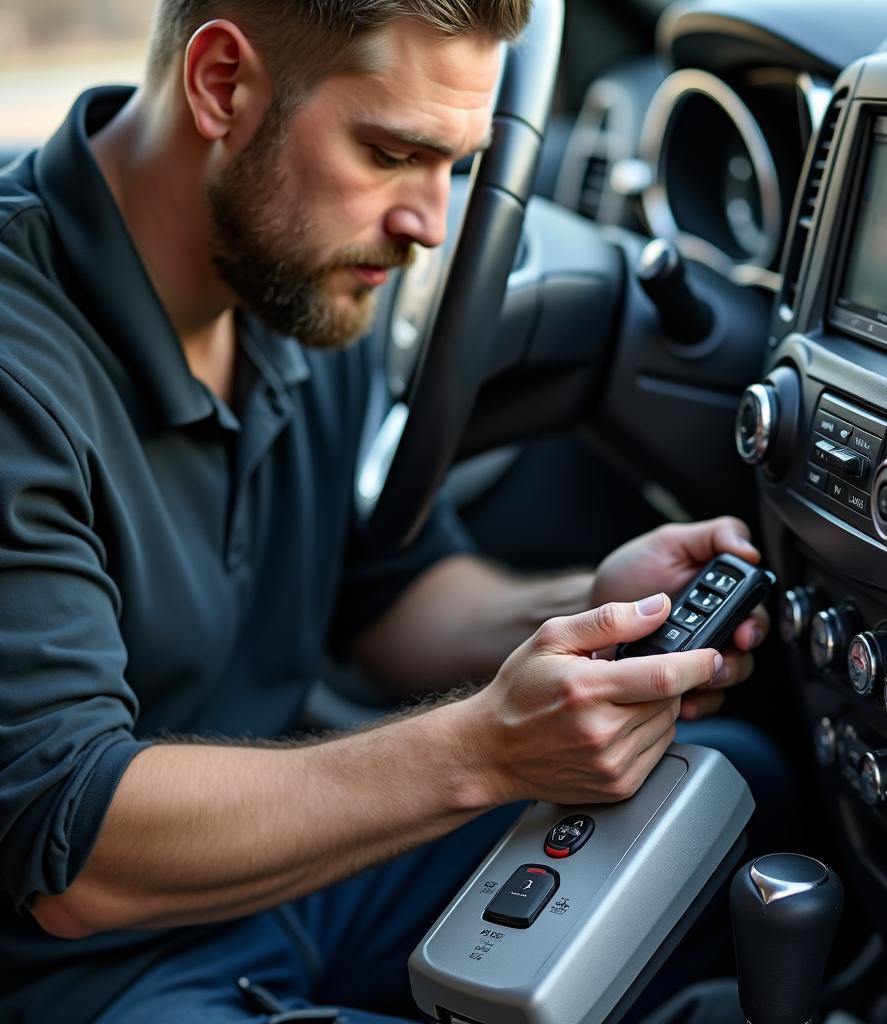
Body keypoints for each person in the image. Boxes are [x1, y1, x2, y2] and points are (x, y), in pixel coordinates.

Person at [0, 2, 781, 1021]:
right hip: (86, 976)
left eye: (456, 164)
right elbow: (73, 855)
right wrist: (483, 750)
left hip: (300, 883)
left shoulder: (299, 277)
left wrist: (598, 613)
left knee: (735, 786)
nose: (429, 223)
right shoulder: (23, 368)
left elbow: (382, 590)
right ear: (222, 85)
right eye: (390, 152)